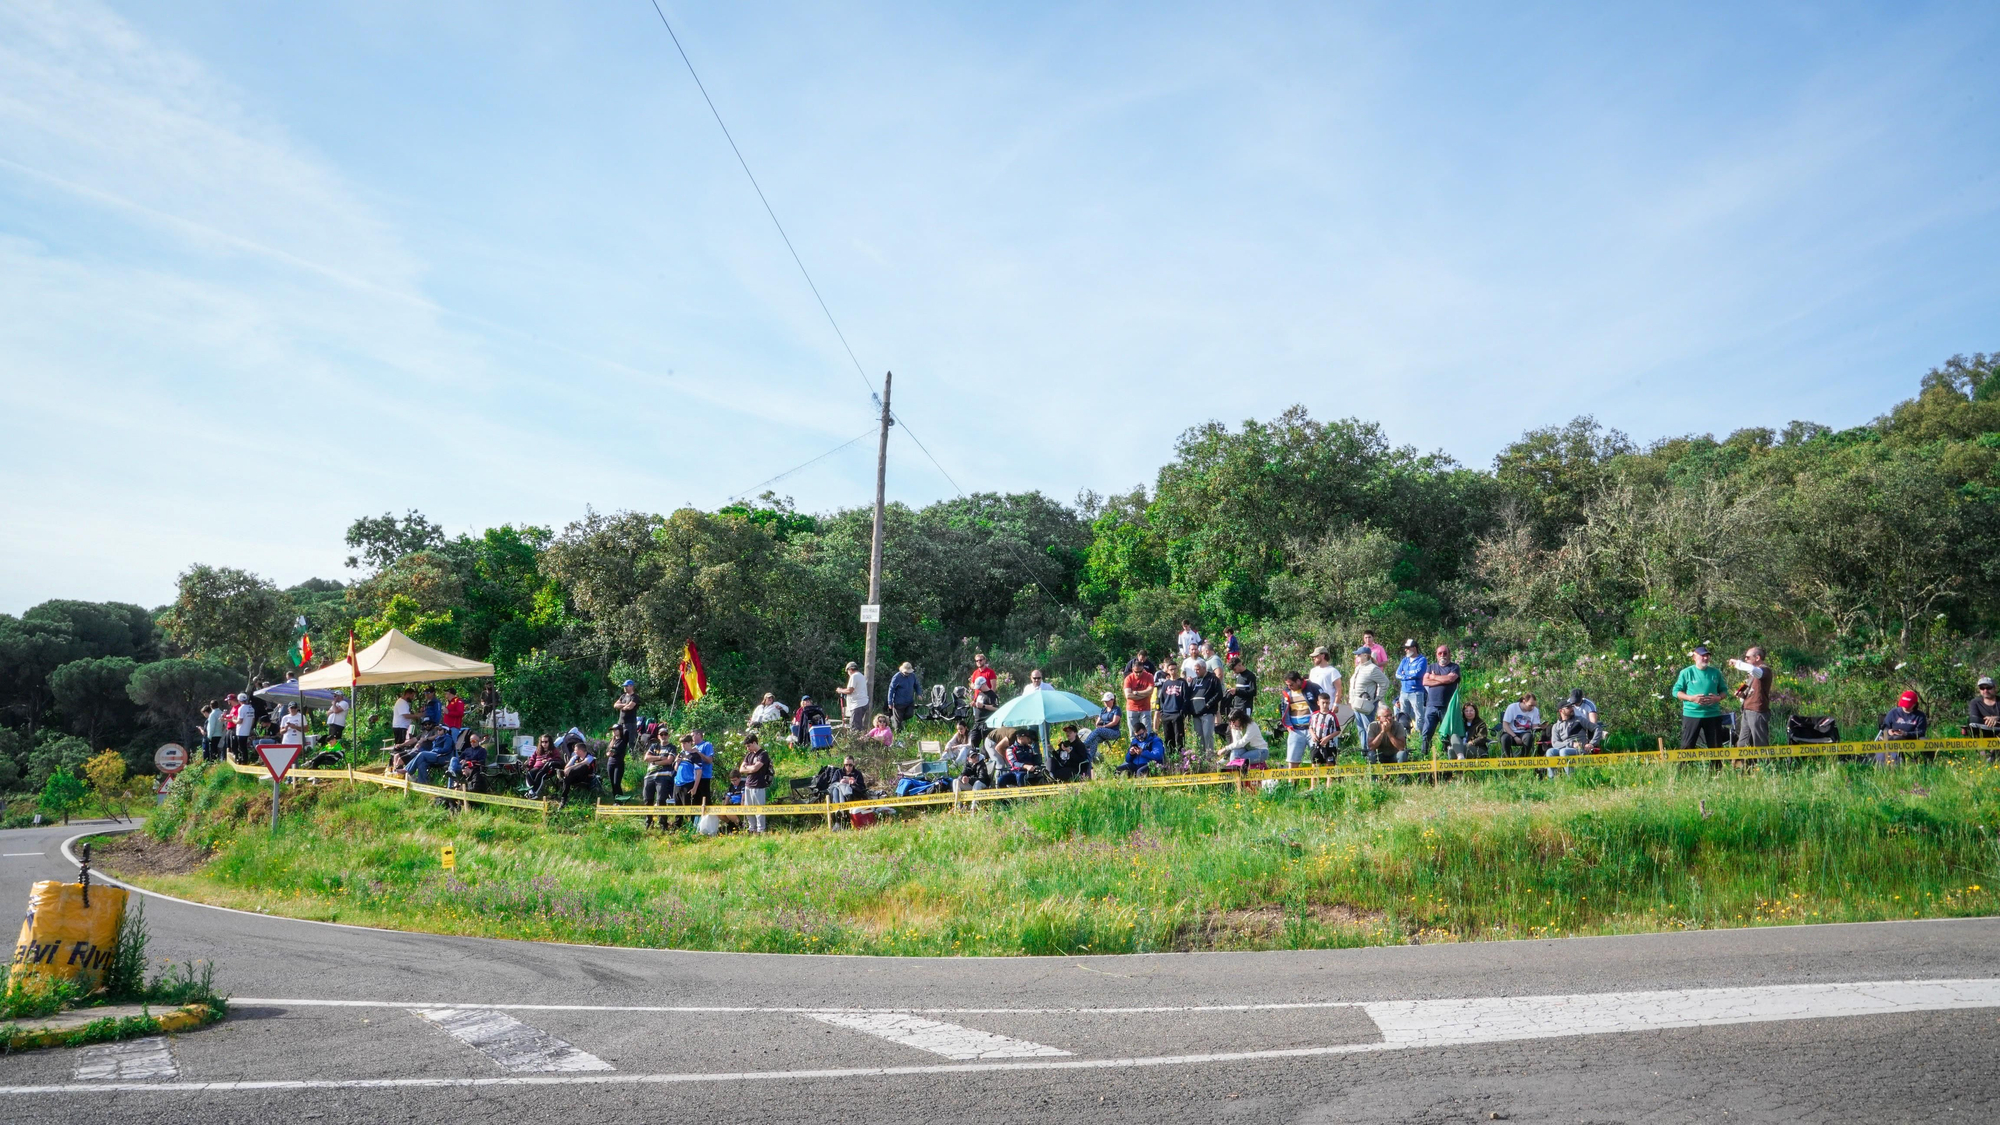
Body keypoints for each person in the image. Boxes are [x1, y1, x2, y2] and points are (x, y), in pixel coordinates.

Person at [1673, 645, 1729, 750]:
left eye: (1707, 656)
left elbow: (1724, 691)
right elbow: (1676, 692)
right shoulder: (1686, 672)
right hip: (1692, 714)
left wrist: (1718, 698)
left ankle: (1716, 767)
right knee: (1687, 746)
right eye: (1702, 655)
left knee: (1716, 747)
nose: (1706, 658)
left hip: (1712, 714)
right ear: (1694, 657)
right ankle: (1685, 766)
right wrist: (1691, 698)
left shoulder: (1715, 673)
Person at [1419, 644, 1461, 757]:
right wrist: (1442, 680)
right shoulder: (1431, 667)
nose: (1442, 655)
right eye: (1440, 653)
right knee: (1426, 732)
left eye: (1445, 653)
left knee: (1446, 733)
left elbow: (1450, 678)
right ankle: (1424, 756)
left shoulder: (1454, 667)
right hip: (1431, 705)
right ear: (1436, 655)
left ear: (1449, 654)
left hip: (1447, 706)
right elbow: (1425, 682)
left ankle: (1447, 756)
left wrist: (1433, 677)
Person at [1348, 647, 1391, 752]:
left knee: (1369, 729)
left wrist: (1377, 698)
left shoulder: (1373, 668)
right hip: (1356, 703)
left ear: (1365, 655)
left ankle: (1373, 752)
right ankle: (1365, 752)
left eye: (1359, 655)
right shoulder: (1358, 668)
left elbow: (1385, 682)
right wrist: (1350, 700)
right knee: (1361, 729)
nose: (1357, 657)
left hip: (1366, 704)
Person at [1729, 647, 1772, 748]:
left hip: (1757, 711)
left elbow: (1753, 669)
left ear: (1757, 658)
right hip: (1747, 710)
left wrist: (1737, 663)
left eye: (1748, 657)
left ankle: (1763, 763)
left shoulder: (1765, 671)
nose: (1746, 659)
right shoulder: (1753, 674)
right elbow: (1752, 693)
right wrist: (1742, 696)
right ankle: (1743, 763)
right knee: (1742, 744)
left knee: (1760, 742)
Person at [1880, 690, 1930, 763]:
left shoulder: (1920, 715)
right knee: (1896, 739)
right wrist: (1889, 731)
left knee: (1927, 742)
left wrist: (1906, 734)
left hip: (1912, 738)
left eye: (1908, 705)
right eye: (1903, 705)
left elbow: (1921, 732)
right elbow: (1884, 727)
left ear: (1915, 704)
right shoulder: (1893, 712)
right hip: (1895, 737)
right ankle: (1896, 763)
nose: (1905, 707)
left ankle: (1928, 764)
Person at [735, 734, 773, 832]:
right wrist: (750, 769)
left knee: (759, 809)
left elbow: (756, 768)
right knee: (748, 809)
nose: (747, 748)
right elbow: (741, 769)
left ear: (754, 743)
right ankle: (752, 828)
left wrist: (748, 768)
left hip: (758, 785)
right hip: (748, 785)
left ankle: (761, 829)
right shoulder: (749, 755)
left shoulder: (763, 754)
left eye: (749, 746)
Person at [1187, 659, 1224, 757]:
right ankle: (1200, 758)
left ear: (1204, 668)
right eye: (1195, 669)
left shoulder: (1213, 679)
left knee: (1207, 735)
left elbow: (1219, 694)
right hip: (1195, 713)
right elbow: (1189, 694)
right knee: (1199, 736)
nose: (1196, 671)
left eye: (1198, 669)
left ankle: (1209, 757)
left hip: (1207, 712)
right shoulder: (1194, 680)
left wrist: (1208, 704)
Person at [1545, 702, 1592, 775]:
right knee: (1550, 752)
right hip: (1567, 747)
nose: (1571, 709)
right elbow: (1555, 743)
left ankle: (1571, 778)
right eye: (1568, 708)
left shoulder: (1579, 720)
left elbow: (1596, 728)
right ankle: (1552, 780)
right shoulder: (1556, 726)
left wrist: (1592, 743)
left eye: (1571, 707)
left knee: (1564, 751)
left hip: (1580, 749)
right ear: (1561, 711)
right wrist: (1571, 744)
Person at [1278, 672, 1315, 766]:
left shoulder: (1311, 688)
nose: (1289, 687)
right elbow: (1283, 709)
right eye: (1287, 685)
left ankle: (1315, 781)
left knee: (1316, 759)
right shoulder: (1287, 693)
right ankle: (1291, 781)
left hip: (1312, 730)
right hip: (1295, 729)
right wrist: (1288, 726)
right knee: (1292, 760)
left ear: (1298, 681)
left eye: (1291, 684)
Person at [641, 731, 677, 824]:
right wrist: (661, 758)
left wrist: (655, 761)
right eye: (661, 734)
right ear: (658, 736)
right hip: (650, 775)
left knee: (661, 800)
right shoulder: (654, 746)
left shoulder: (672, 747)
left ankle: (663, 823)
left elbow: (669, 761)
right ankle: (648, 822)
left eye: (665, 734)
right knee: (647, 799)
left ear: (668, 735)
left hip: (664, 776)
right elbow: (646, 758)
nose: (663, 736)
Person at [1155, 665, 1189, 754]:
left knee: (1179, 738)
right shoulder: (1166, 683)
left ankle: (1181, 758)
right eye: (1171, 669)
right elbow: (1161, 698)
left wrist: (1182, 712)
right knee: (1168, 738)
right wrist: (1162, 712)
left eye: (1174, 669)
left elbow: (1186, 699)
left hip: (1177, 713)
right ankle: (1170, 757)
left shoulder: (1182, 682)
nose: (1173, 671)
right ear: (1168, 671)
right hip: (1166, 714)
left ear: (1177, 669)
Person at [1394, 640, 1428, 726]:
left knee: (1419, 716)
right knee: (1403, 716)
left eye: (1408, 648)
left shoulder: (1422, 660)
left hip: (1416, 692)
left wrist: (1405, 674)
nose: (1405, 650)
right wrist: (1409, 676)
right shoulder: (1404, 660)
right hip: (1404, 692)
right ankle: (1405, 735)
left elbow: (1418, 673)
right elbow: (1397, 674)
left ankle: (1420, 737)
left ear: (1414, 648)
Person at [1081, 693, 1123, 759]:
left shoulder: (1116, 709)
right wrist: (1099, 724)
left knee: (1098, 730)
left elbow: (1114, 722)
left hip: (1113, 732)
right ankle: (1089, 759)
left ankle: (1084, 745)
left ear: (1112, 700)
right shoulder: (1103, 710)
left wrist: (1104, 726)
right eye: (1104, 701)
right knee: (1095, 740)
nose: (1105, 703)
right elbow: (1097, 723)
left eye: (1107, 701)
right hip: (1102, 731)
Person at [1123, 658, 1156, 740]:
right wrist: (1144, 694)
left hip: (1145, 708)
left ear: (1143, 669)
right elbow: (1128, 695)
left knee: (1147, 731)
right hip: (1132, 708)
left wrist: (1137, 693)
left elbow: (1150, 690)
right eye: (1136, 672)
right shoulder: (1128, 678)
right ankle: (1135, 750)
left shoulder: (1149, 676)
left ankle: (1147, 750)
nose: (1138, 674)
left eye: (1140, 671)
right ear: (1132, 670)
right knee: (1133, 733)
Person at [557, 736, 597, 803]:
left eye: (575, 750)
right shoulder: (575, 757)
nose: (574, 751)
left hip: (585, 777)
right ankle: (563, 799)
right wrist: (567, 768)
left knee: (583, 766)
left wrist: (570, 768)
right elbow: (567, 766)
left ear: (580, 751)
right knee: (567, 778)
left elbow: (585, 762)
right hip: (574, 777)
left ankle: (564, 774)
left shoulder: (590, 757)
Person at [1500, 693, 1541, 757]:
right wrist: (1515, 737)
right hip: (1511, 732)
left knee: (1529, 737)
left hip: (1525, 733)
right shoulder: (1512, 707)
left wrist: (1541, 727)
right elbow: (1505, 725)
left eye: (1534, 705)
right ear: (1524, 701)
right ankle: (1508, 759)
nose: (1532, 708)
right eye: (1530, 705)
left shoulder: (1535, 710)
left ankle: (1523, 759)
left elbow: (1534, 727)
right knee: (1504, 738)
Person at [967, 654, 999, 735]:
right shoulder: (975, 673)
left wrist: (989, 699)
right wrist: (974, 686)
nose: (979, 662)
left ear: (984, 660)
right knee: (977, 720)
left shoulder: (990, 672)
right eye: (977, 661)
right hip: (977, 698)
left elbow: (993, 687)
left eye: (980, 660)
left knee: (986, 722)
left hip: (987, 699)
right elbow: (972, 684)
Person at [1969, 677, 2000, 761]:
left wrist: (1996, 718)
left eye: (1988, 688)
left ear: (1995, 688)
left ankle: (1994, 755)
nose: (1985, 690)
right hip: (1982, 731)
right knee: (1972, 723)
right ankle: (1983, 755)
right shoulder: (1975, 702)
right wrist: (1990, 720)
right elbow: (1974, 719)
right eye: (1982, 688)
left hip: (1998, 731)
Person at [671, 734, 704, 809]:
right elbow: (676, 769)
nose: (683, 745)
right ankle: (678, 821)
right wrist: (677, 762)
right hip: (677, 783)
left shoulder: (695, 756)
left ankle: (689, 820)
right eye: (681, 743)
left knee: (688, 807)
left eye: (685, 743)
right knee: (677, 808)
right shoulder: (681, 754)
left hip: (688, 783)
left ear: (690, 742)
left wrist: (695, 787)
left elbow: (699, 772)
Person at [1307, 648, 1343, 714]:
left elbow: (1339, 689)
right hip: (1314, 707)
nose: (1314, 658)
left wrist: (1336, 705)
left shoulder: (1332, 671)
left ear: (1323, 656)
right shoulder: (1313, 671)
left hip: (1327, 707)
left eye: (1316, 656)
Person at [524, 733, 561, 798]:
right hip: (536, 767)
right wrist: (529, 765)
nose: (544, 743)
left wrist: (548, 760)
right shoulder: (538, 750)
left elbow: (558, 759)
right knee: (529, 774)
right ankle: (531, 792)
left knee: (539, 774)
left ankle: (533, 793)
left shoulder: (554, 750)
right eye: (542, 742)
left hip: (547, 769)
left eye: (546, 742)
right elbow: (532, 759)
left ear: (550, 742)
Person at [1308, 692, 1342, 764]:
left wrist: (1327, 738)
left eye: (1327, 703)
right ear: (1318, 703)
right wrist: (1313, 735)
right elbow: (1310, 727)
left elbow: (1338, 730)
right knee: (1315, 765)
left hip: (1329, 745)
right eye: (1323, 703)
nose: (1325, 705)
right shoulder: (1314, 715)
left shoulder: (1332, 716)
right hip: (1316, 745)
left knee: (1329, 767)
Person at [836, 661, 869, 732]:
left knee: (855, 727)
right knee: (858, 725)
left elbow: (850, 690)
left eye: (847, 671)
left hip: (857, 704)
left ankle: (855, 742)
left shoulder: (854, 676)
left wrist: (840, 690)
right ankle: (859, 740)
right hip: (862, 703)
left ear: (850, 669)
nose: (848, 673)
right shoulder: (861, 676)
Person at [887, 662, 922, 728]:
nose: (907, 674)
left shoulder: (912, 676)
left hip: (909, 701)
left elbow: (916, 685)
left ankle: (894, 718)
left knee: (910, 714)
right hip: (898, 702)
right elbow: (891, 689)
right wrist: (890, 702)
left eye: (908, 672)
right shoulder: (896, 677)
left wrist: (919, 693)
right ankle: (898, 734)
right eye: (906, 672)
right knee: (898, 724)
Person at [1226, 658, 1258, 723]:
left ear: (1239, 665)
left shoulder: (1250, 676)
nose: (1234, 672)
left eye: (1234, 669)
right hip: (1236, 706)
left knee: (1245, 726)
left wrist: (1237, 691)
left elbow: (1253, 692)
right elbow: (1239, 691)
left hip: (1245, 706)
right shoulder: (1239, 676)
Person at [604, 722, 630, 798]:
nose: (614, 731)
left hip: (618, 764)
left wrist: (622, 725)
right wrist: (609, 753)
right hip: (610, 763)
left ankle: (620, 800)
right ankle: (616, 800)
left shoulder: (623, 741)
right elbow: (607, 752)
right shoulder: (612, 741)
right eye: (613, 730)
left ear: (620, 730)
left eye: (616, 730)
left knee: (616, 783)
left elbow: (614, 752)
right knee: (612, 784)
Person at [612, 679, 639, 744]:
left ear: (631, 686)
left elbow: (630, 707)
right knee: (620, 739)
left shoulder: (635, 697)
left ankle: (632, 753)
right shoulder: (623, 696)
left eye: (626, 686)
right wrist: (625, 704)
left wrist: (621, 707)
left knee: (631, 741)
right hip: (621, 722)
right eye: (624, 686)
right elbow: (615, 705)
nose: (625, 687)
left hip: (630, 723)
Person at [233, 692, 256, 762]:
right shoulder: (251, 708)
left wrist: (233, 720)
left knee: (241, 747)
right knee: (245, 747)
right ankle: (245, 759)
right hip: (247, 730)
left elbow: (240, 721)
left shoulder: (241, 708)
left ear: (239, 700)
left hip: (241, 731)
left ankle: (243, 760)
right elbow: (253, 719)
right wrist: (249, 727)